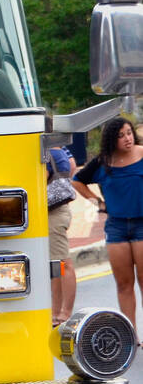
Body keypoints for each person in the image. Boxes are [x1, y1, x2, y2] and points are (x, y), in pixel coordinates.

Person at [72, 116, 143, 336]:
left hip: (142, 223)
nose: (127, 139)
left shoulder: (142, 153)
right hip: (117, 227)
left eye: (129, 133)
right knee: (124, 283)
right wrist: (98, 202)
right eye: (121, 136)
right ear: (112, 139)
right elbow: (77, 180)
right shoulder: (103, 162)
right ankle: (131, 333)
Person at [46, 145, 77, 325]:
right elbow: (73, 165)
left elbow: (37, 182)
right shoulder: (61, 151)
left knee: (64, 264)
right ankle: (56, 312)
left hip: (53, 214)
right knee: (56, 266)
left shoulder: (47, 153)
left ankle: (65, 312)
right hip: (60, 211)